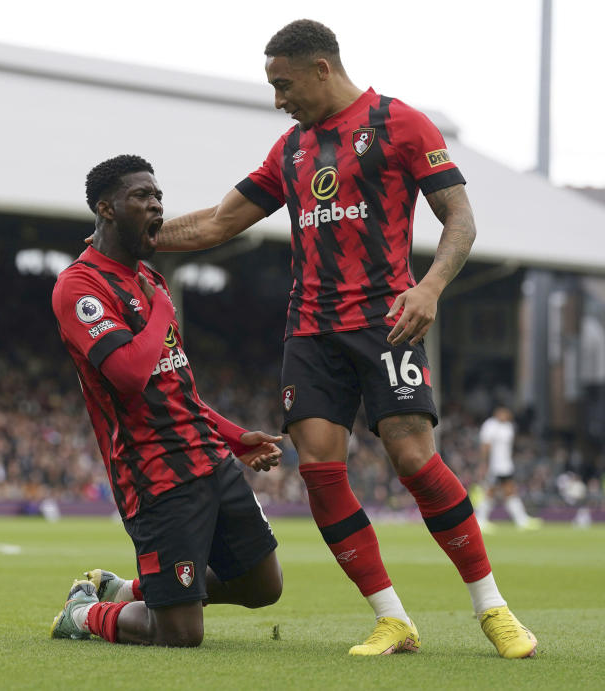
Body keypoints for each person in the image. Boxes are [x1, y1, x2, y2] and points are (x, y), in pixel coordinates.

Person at [149, 20, 537, 658]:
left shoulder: (399, 123)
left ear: (321, 68)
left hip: (389, 320)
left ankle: (491, 607)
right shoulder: (292, 150)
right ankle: (392, 619)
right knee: (322, 474)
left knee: (413, 461)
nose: (278, 99)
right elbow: (219, 221)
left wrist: (432, 287)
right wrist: (135, 239)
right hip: (310, 329)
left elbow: (461, 220)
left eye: (284, 84)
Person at [50, 154, 283, 647]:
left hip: (209, 459)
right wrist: (160, 308)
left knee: (263, 585)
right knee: (179, 634)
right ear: (106, 208)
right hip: (154, 472)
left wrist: (237, 438)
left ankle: (127, 590)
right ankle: (86, 614)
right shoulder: (80, 285)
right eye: (141, 196)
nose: (156, 206)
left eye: (158, 196)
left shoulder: (150, 280)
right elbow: (130, 375)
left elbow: (178, 388)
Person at [475, 406, 541, 530]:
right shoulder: (490, 425)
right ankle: (480, 520)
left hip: (506, 465)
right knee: (491, 491)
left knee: (509, 491)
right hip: (494, 466)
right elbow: (485, 446)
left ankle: (521, 520)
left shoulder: (509, 427)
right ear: (497, 412)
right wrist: (484, 464)